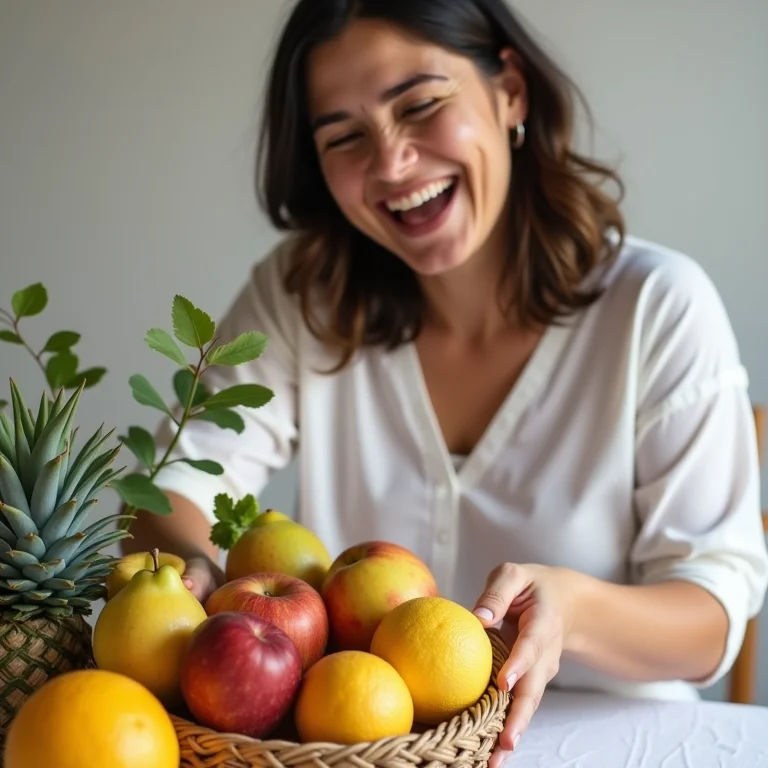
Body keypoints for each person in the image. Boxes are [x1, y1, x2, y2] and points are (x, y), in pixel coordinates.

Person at [123, 0, 768, 762]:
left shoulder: (657, 308)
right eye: (345, 137)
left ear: (511, 90)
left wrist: (575, 612)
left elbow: (713, 619)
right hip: (368, 749)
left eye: (421, 105)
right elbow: (166, 491)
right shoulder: (304, 296)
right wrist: (202, 583)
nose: (392, 164)